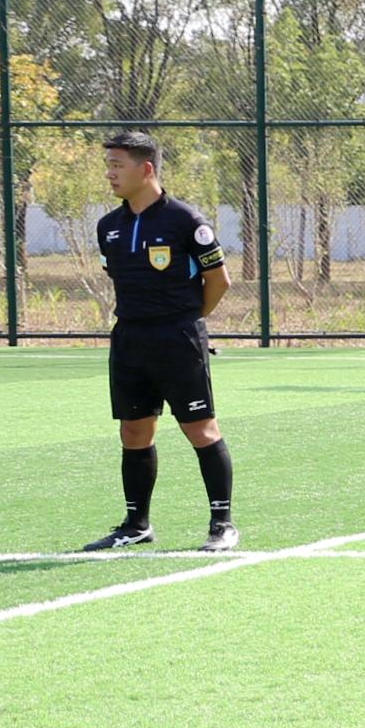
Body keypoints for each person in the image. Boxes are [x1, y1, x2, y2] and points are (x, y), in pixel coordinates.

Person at [79, 133, 238, 554]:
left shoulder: (186, 220)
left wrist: (188, 320)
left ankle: (222, 524)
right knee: (133, 431)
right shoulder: (108, 226)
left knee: (200, 429)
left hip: (178, 337)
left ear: (146, 168)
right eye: (109, 165)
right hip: (129, 339)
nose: (110, 174)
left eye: (117, 165)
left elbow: (219, 281)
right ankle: (136, 525)